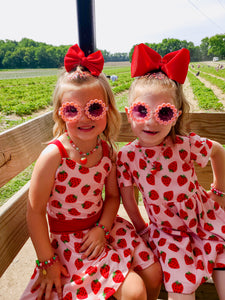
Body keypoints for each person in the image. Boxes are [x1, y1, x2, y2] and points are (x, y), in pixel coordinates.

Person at [20, 44, 162, 300]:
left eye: (94, 108)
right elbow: (35, 210)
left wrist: (103, 229)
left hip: (105, 229)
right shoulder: (54, 156)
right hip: (71, 243)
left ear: (107, 109)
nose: (84, 118)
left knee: (153, 274)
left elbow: (112, 198)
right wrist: (47, 262)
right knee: (134, 291)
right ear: (60, 114)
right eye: (72, 110)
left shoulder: (106, 150)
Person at [117, 43, 225, 300]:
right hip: (167, 231)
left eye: (163, 112)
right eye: (142, 110)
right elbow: (128, 200)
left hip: (204, 219)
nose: (151, 121)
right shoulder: (127, 157)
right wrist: (143, 229)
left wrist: (219, 191)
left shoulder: (185, 145)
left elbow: (218, 150)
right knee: (179, 286)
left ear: (175, 116)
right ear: (128, 113)